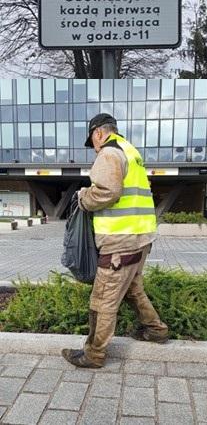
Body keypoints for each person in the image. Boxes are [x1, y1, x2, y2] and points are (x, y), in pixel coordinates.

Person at [62, 113, 169, 368]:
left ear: (98, 132)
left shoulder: (109, 153)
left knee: (103, 299)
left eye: (93, 142)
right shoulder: (131, 151)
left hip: (119, 242)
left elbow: (107, 192)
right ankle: (156, 330)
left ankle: (94, 354)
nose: (94, 148)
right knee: (133, 289)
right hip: (140, 237)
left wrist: (83, 197)